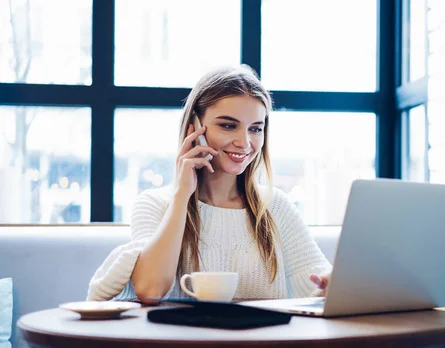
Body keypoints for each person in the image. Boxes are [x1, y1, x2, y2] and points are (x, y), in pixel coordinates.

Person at [87, 65, 332, 303]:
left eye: (255, 129)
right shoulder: (155, 205)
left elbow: (317, 283)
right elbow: (150, 290)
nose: (244, 142)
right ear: (194, 126)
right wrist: (182, 195)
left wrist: (331, 284)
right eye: (228, 126)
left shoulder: (275, 206)